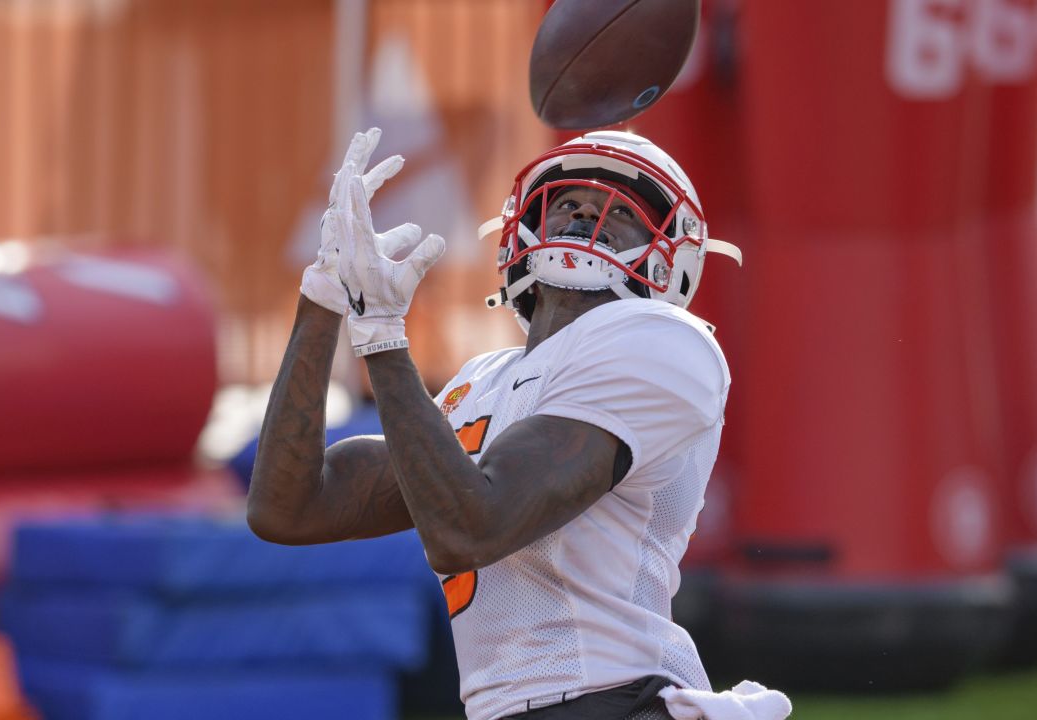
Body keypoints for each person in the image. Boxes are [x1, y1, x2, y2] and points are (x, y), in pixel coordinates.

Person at [247, 128, 784, 720]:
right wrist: (324, 296)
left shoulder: (663, 342)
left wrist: (381, 335)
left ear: (668, 257)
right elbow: (288, 507)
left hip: (617, 699)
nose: (584, 211)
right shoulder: (484, 380)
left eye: (620, 208)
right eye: (565, 200)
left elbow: (472, 530)